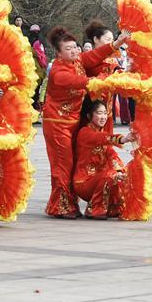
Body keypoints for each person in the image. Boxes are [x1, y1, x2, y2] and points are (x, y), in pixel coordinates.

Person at [42, 26, 127, 219]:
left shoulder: (78, 60)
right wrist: (106, 78)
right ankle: (61, 206)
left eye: (75, 47)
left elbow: (95, 55)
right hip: (57, 123)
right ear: (58, 53)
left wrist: (116, 44)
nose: (73, 51)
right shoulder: (58, 72)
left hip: (73, 121)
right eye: (68, 49)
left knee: (71, 163)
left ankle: (71, 201)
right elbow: (83, 83)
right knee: (62, 164)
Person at [73, 100, 134, 219]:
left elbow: (112, 155)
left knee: (125, 175)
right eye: (99, 113)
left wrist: (122, 172)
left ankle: (110, 207)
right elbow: (102, 138)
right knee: (111, 175)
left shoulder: (102, 134)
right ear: (89, 116)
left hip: (100, 180)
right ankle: (94, 209)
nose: (103, 117)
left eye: (105, 113)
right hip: (84, 183)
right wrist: (123, 139)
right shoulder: (85, 133)